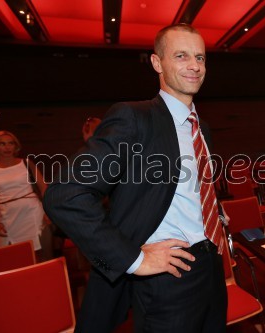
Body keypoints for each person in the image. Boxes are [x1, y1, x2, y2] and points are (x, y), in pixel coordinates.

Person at [43, 23, 227, 333]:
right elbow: (65, 195)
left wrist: (213, 213)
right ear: (157, 63)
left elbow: (178, 191)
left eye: (200, 57)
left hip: (211, 267)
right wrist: (134, 259)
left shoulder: (201, 128)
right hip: (168, 277)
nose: (194, 66)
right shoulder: (134, 118)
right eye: (181, 56)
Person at [0, 130, 51, 261]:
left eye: (10, 143)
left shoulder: (26, 163)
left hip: (33, 212)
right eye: (2, 144)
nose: (7, 147)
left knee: (41, 256)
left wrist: (48, 211)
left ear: (16, 146)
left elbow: (44, 189)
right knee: (12, 258)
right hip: (8, 217)